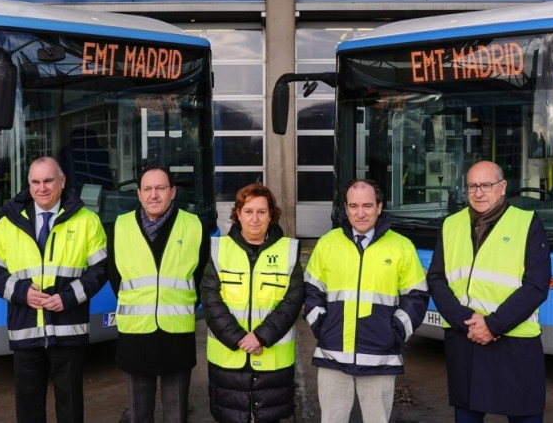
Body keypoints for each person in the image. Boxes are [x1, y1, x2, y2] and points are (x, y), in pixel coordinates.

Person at [0, 157, 108, 423]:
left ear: (62, 182)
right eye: (35, 182)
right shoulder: (8, 224)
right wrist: (20, 293)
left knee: (70, 408)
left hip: (68, 329)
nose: (42, 188)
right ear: (29, 185)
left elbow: (101, 270)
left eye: (48, 180)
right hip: (25, 330)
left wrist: (68, 297)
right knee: (28, 410)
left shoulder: (88, 221)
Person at [427, 161, 551, 423]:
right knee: (466, 415)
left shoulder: (527, 223)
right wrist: (466, 322)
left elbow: (536, 286)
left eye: (486, 185)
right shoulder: (450, 224)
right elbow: (436, 279)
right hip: (465, 340)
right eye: (472, 185)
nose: (479, 192)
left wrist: (492, 325)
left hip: (514, 343)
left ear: (503, 187)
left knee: (524, 415)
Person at [305, 179, 429, 423]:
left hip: (379, 356)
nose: (360, 213)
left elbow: (416, 296)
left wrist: (395, 331)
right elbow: (311, 289)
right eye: (353, 206)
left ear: (379, 207)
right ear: (346, 208)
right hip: (333, 354)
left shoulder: (401, 247)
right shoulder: (327, 243)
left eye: (367, 205)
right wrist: (321, 326)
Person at [107, 164, 209, 423]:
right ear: (139, 194)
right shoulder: (120, 227)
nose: (154, 194)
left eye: (160, 188)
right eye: (148, 189)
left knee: (176, 414)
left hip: (176, 336)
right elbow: (115, 276)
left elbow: (200, 275)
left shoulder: (194, 226)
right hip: (135, 337)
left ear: (173, 192)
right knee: (139, 413)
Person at [201, 183, 304, 423]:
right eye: (248, 211)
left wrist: (260, 336)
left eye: (261, 212)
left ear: (272, 215)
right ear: (237, 214)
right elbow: (210, 298)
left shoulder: (288, 251)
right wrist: (238, 337)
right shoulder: (219, 250)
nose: (255, 219)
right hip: (228, 360)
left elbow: (293, 300)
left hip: (272, 362)